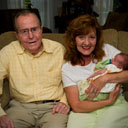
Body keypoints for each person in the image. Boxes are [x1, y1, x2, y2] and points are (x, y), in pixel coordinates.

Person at [0, 9, 69, 128]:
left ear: (41, 29)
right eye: (24, 31)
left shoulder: (58, 50)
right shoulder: (7, 52)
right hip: (20, 108)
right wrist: (0, 114)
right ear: (16, 35)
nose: (31, 36)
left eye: (34, 29)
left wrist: (65, 101)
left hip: (53, 108)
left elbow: (73, 79)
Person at [62, 14, 128, 128]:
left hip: (115, 105)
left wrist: (104, 78)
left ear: (97, 39)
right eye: (81, 37)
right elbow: (76, 105)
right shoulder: (67, 68)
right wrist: (108, 102)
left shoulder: (107, 50)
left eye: (91, 37)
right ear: (73, 39)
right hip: (85, 109)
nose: (87, 43)